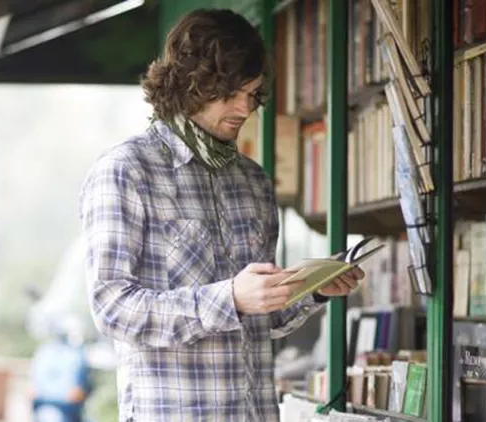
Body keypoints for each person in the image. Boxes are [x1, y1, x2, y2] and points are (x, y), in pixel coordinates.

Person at [79, 9, 365, 421]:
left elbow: (261, 318)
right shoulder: (125, 171)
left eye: (252, 94)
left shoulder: (254, 182)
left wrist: (312, 288)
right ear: (191, 84)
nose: (244, 108)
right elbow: (112, 308)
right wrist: (228, 297)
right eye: (231, 94)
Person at [29, 317, 91, 422]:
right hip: (63, 407)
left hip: (48, 405)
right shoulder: (76, 353)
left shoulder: (43, 351)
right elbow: (77, 391)